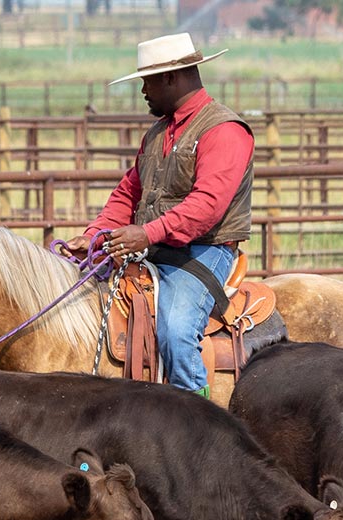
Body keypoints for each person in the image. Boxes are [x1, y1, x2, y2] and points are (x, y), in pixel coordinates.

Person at [65, 33, 255, 398]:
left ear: (171, 77)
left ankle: (199, 423)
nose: (143, 91)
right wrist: (94, 236)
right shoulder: (157, 134)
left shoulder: (224, 131)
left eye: (147, 82)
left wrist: (147, 234)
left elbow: (206, 206)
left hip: (204, 251)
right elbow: (128, 193)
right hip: (155, 246)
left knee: (176, 329)